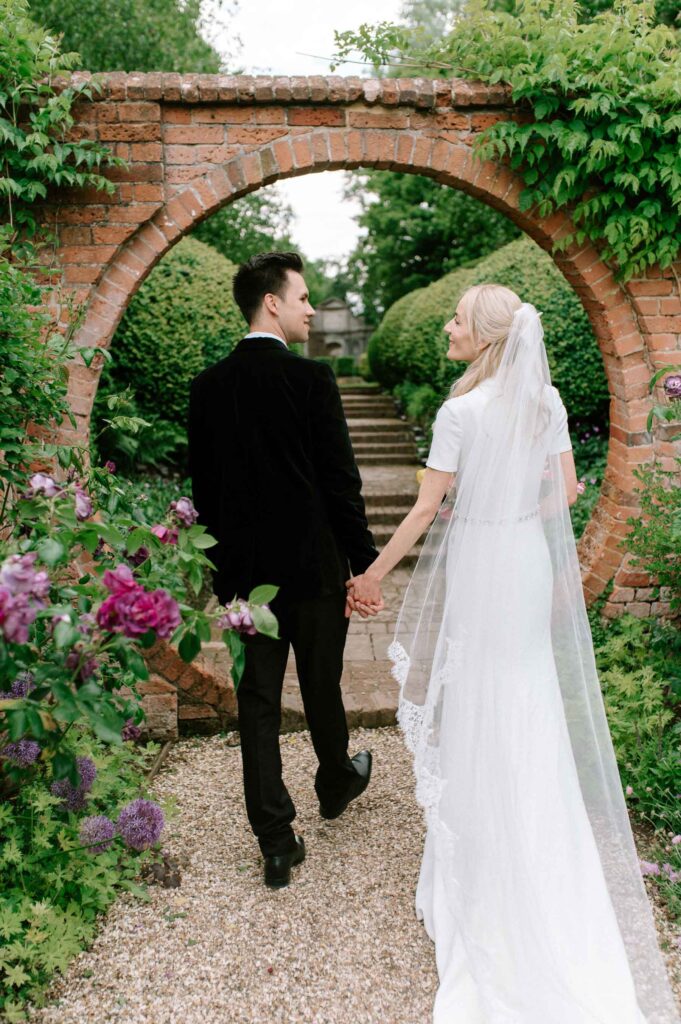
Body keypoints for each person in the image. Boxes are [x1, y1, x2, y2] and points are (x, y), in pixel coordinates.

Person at [347, 284, 679, 1023]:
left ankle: (485, 859)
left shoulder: (459, 411)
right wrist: (516, 511)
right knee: (524, 693)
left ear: (488, 336)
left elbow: (427, 508)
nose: (446, 325)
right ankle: (540, 847)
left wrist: (369, 574)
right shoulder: (544, 400)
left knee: (481, 696)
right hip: (523, 561)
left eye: (456, 319)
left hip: (480, 563)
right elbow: (563, 491)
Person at [188, 252, 378, 890]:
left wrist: (223, 581)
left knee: (259, 706)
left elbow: (205, 498)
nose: (307, 308)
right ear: (272, 302)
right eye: (301, 297)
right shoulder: (312, 380)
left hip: (249, 585)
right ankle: (335, 780)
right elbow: (340, 484)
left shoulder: (207, 387)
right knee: (322, 686)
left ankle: (275, 841)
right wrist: (365, 564)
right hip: (315, 573)